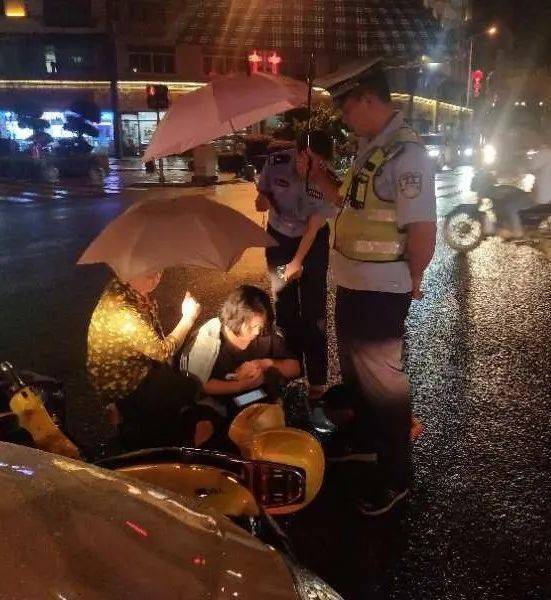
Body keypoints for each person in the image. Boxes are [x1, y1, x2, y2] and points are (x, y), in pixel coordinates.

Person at [297, 62, 437, 515]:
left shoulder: (407, 156)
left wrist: (414, 280)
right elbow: (348, 202)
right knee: (358, 376)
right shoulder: (370, 147)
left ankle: (397, 475)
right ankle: (365, 442)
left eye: (345, 104)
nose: (341, 114)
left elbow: (423, 230)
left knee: (384, 385)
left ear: (369, 99)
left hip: (381, 289)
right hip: (353, 282)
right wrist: (318, 175)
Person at [255, 130, 336, 404]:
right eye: (312, 161)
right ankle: (290, 371)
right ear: (299, 154)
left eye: (323, 163)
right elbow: (262, 193)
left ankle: (317, 381)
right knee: (284, 305)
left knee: (314, 313)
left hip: (311, 245)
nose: (318, 168)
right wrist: (262, 200)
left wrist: (296, 263)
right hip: (279, 239)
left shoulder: (324, 180)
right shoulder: (277, 161)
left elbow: (314, 227)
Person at [87, 272, 205, 450]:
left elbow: (155, 340)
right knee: (189, 388)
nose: (156, 278)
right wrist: (188, 318)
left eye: (160, 270)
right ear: (128, 271)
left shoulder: (132, 290)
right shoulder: (122, 309)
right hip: (124, 384)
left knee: (187, 385)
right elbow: (161, 351)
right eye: (149, 273)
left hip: (140, 367)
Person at [182, 285, 300, 432]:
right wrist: (241, 385)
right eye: (251, 326)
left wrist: (264, 364)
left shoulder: (265, 334)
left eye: (260, 325)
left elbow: (295, 368)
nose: (257, 331)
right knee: (204, 426)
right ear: (236, 319)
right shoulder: (209, 339)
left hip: (252, 397)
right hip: (214, 402)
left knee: (264, 418)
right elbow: (200, 384)